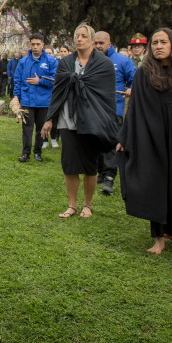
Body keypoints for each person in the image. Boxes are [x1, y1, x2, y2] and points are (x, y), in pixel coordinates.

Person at [41, 24, 118, 218]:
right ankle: (72, 205)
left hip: (91, 121)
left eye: (84, 36)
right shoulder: (66, 63)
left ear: (92, 40)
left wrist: (108, 123)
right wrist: (49, 119)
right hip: (68, 121)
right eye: (77, 36)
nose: (80, 39)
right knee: (69, 165)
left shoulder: (104, 65)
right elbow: (57, 92)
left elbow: (107, 98)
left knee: (90, 166)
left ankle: (87, 204)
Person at [116, 28, 172, 254]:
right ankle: (158, 238)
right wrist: (125, 137)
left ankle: (170, 232)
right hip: (151, 137)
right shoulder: (143, 73)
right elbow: (134, 109)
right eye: (155, 42)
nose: (158, 46)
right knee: (155, 184)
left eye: (164, 42)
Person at [92, 31, 136, 195]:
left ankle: (110, 176)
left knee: (111, 143)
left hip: (114, 110)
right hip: (94, 109)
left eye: (101, 43)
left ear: (109, 44)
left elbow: (135, 79)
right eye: (95, 43)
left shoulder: (122, 61)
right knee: (96, 142)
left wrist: (131, 88)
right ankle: (100, 173)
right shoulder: (90, 60)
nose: (98, 46)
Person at [13, 33, 58, 162]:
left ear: (43, 44)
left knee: (40, 129)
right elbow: (18, 80)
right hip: (27, 100)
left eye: (38, 44)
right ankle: (26, 153)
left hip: (43, 101)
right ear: (30, 45)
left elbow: (55, 80)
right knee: (27, 129)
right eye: (33, 44)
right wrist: (17, 98)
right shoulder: (23, 61)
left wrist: (40, 82)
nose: (35, 47)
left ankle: (38, 152)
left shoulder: (51, 61)